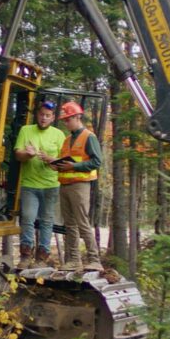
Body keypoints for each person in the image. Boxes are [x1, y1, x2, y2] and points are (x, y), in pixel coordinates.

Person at [14, 100, 66, 269]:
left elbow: (64, 162)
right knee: (28, 218)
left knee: (46, 221)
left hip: (51, 185)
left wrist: (51, 160)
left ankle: (42, 258)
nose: (44, 118)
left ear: (52, 118)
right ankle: (25, 256)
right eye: (41, 114)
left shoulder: (59, 135)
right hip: (30, 184)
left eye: (47, 116)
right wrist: (27, 155)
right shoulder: (26, 130)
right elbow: (17, 155)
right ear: (37, 115)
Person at [54, 102, 103, 271]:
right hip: (65, 185)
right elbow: (66, 161)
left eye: (68, 120)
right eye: (65, 120)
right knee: (70, 224)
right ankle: (74, 260)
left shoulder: (89, 137)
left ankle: (94, 259)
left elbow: (97, 161)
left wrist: (74, 167)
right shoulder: (67, 140)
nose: (66, 123)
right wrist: (55, 165)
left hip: (80, 185)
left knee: (82, 223)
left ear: (77, 117)